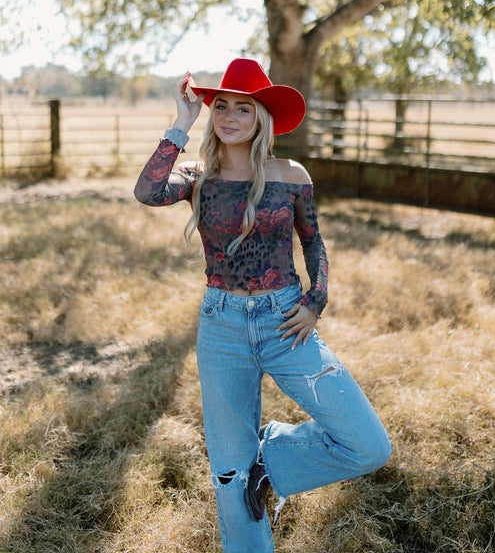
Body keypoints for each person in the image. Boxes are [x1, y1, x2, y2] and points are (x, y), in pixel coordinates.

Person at [134, 58, 391, 553]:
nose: (229, 116)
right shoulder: (197, 175)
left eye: (243, 109)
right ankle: (247, 485)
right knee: (229, 477)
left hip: (285, 323)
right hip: (221, 328)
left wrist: (316, 300)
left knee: (368, 445)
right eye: (221, 106)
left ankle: (270, 459)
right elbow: (146, 192)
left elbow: (313, 243)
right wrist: (181, 123)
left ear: (261, 118)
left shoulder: (290, 174)